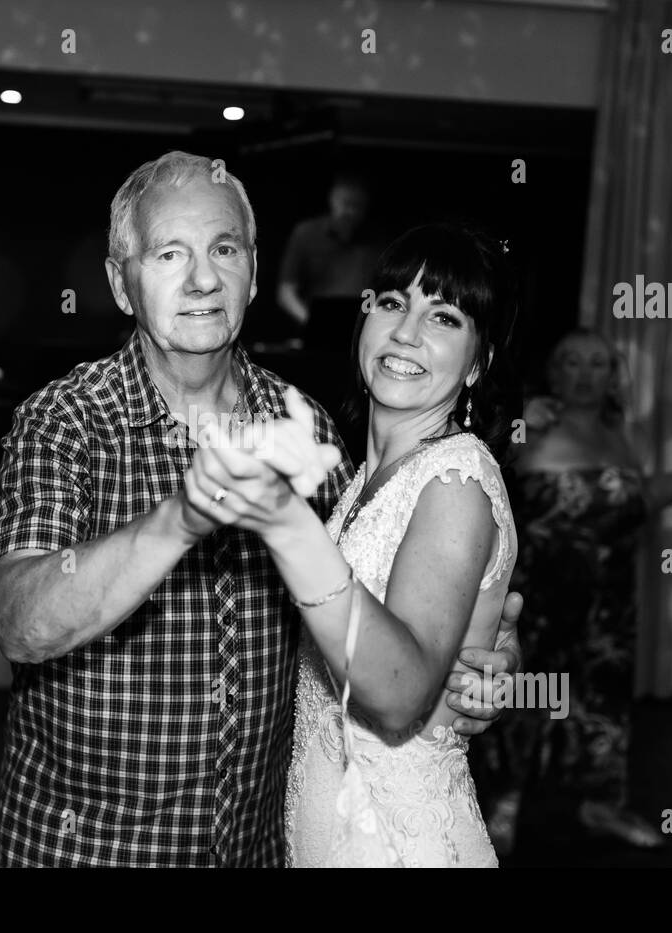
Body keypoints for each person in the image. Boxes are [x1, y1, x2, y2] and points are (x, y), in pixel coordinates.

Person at [0, 151, 525, 867]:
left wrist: (481, 659)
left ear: (256, 272)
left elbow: (394, 620)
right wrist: (179, 518)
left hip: (259, 848)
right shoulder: (64, 421)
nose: (203, 278)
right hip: (90, 850)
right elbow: (22, 624)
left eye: (224, 249)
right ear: (121, 282)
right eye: (170, 253)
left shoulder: (307, 427)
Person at [215, 222, 521, 866]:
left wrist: (286, 523)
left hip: (398, 843)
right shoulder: (363, 479)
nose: (406, 332)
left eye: (443, 317)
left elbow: (400, 693)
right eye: (391, 303)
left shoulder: (456, 480)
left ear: (479, 363)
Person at [479, 328, 672, 854]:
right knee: (527, 698)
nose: (585, 375)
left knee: (603, 704)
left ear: (611, 377)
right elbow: (482, 470)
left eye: (598, 364)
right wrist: (517, 428)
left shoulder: (620, 432)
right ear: (554, 371)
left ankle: (600, 802)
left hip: (610, 604)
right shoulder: (531, 424)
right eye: (572, 362)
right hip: (538, 601)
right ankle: (502, 803)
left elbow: (640, 499)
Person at [276, 172, 384, 334]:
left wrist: (368, 325)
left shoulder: (377, 241)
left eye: (357, 206)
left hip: (360, 331)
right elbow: (286, 293)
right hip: (314, 330)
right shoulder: (306, 233)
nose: (350, 211)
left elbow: (379, 293)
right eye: (345, 203)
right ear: (332, 200)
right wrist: (314, 324)